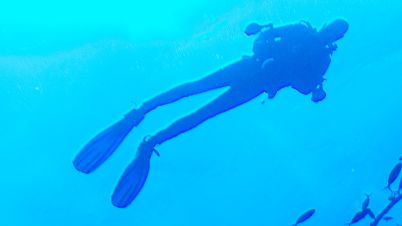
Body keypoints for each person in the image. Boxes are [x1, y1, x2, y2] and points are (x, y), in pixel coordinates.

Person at [73, 19, 349, 208]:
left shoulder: (323, 59)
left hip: (257, 85)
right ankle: (140, 112)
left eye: (337, 32)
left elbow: (304, 88)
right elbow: (263, 36)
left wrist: (310, 86)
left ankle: (151, 141)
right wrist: (268, 60)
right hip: (250, 69)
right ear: (326, 24)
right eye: (333, 27)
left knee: (201, 114)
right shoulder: (301, 30)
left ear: (337, 37)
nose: (332, 33)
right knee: (194, 88)